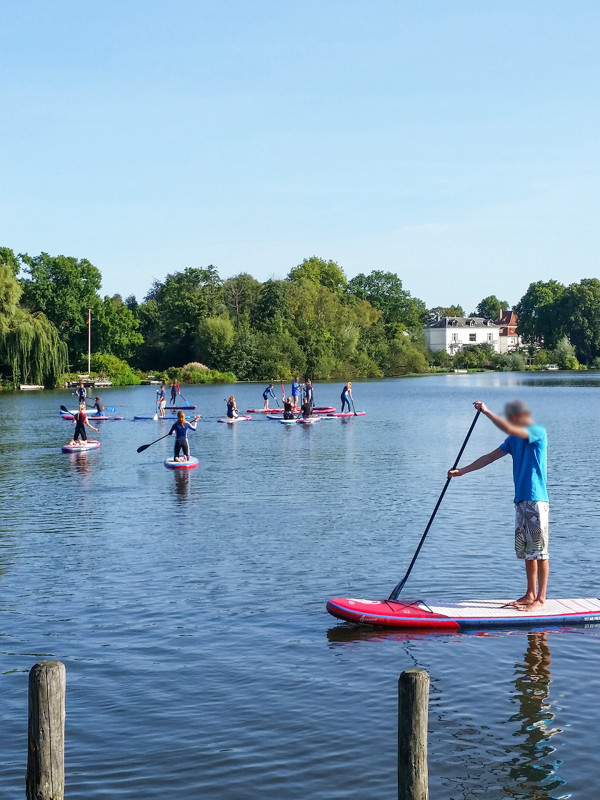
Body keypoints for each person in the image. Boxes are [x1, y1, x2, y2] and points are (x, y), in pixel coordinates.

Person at [448, 399, 549, 612]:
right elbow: (489, 458)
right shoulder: (513, 439)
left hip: (536, 499)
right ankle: (529, 593)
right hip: (521, 500)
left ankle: (540, 599)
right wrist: (462, 471)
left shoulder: (536, 432)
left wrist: (486, 412)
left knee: (539, 551)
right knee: (527, 551)